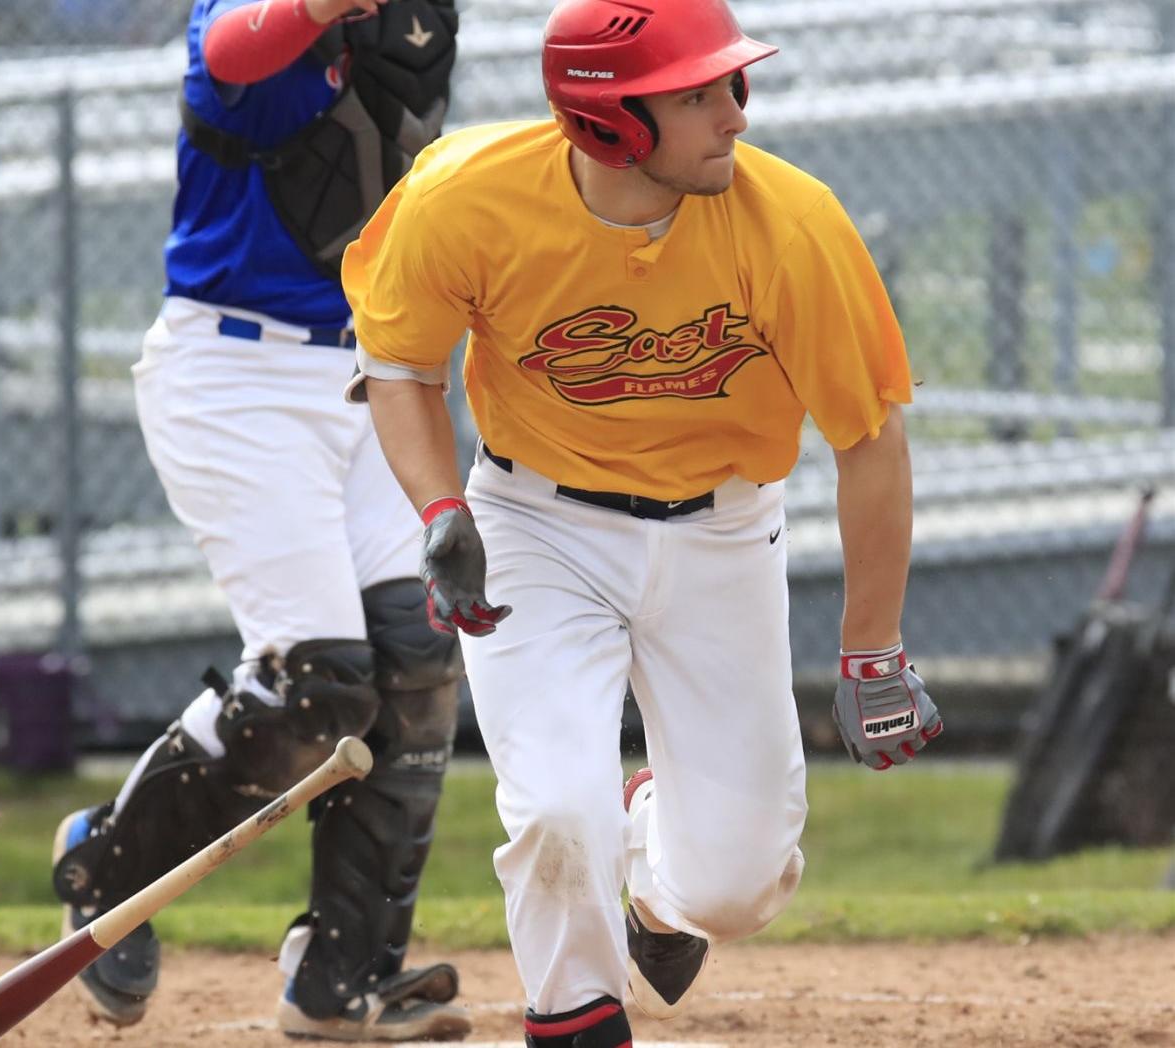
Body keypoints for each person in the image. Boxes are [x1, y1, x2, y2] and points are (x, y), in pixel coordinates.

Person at [342, 0, 946, 1042]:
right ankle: (572, 1013)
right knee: (550, 813)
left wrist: (871, 649)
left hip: (723, 531)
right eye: (698, 96)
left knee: (736, 889)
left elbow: (868, 442)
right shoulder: (465, 199)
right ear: (610, 121)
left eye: (729, 86)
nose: (733, 117)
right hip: (538, 523)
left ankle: (653, 864)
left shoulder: (790, 224)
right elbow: (397, 367)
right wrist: (439, 509)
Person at [48, 0, 472, 1041]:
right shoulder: (240, 13)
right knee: (316, 684)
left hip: (371, 374)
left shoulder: (420, 18)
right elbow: (234, 51)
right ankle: (108, 865)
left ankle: (341, 977)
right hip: (232, 374)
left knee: (416, 660)